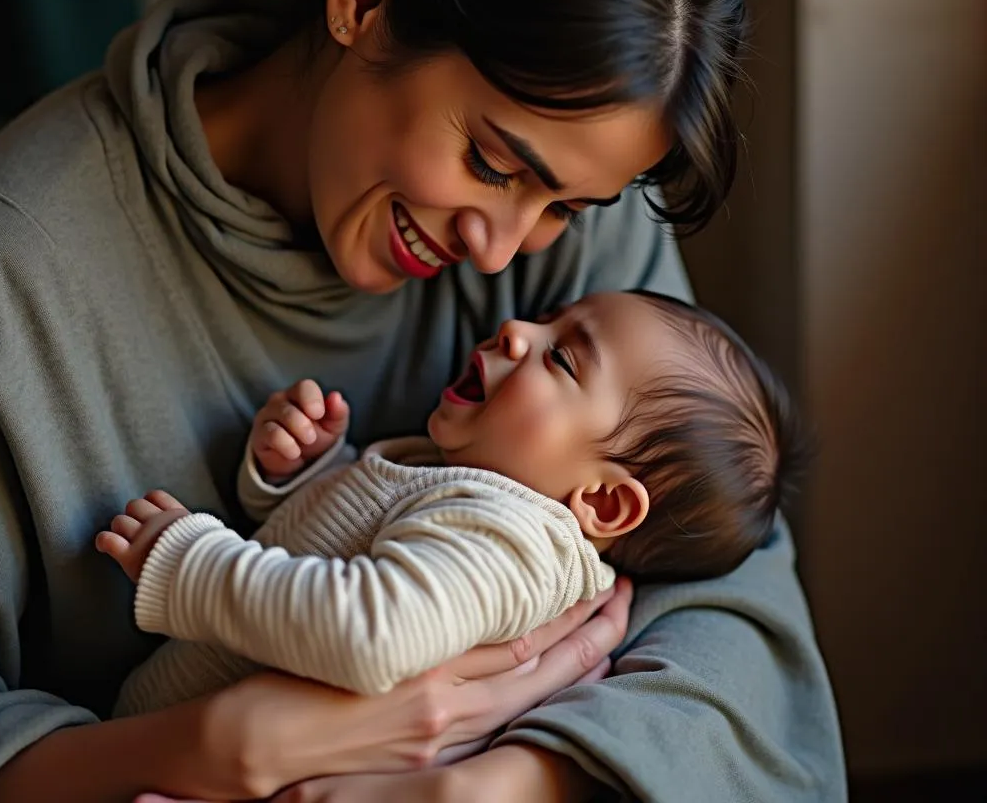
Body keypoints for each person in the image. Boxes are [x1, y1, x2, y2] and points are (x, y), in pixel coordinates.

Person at [0, 0, 845, 801]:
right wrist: (228, 745)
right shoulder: (7, 267)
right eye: (491, 161)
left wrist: (502, 783)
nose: (501, 253)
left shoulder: (571, 269)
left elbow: (732, 614)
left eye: (563, 205)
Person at [100, 289, 807, 712]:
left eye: (561, 357)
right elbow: (350, 548)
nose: (517, 330)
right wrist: (305, 472)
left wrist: (191, 563)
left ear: (604, 503)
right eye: (550, 319)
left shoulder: (515, 544)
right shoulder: (470, 490)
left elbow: (369, 632)